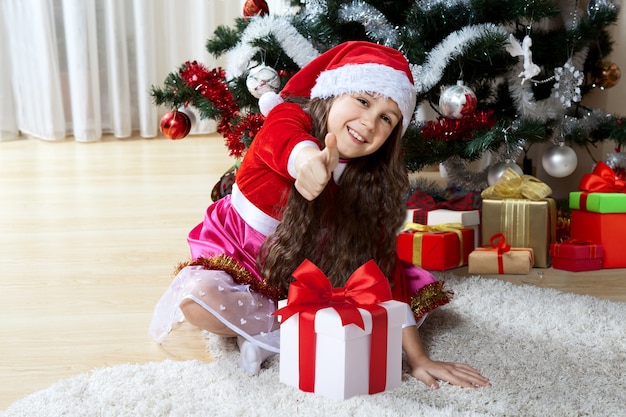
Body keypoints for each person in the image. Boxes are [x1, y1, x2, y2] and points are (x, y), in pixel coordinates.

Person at [149, 41, 490, 390]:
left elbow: (380, 270)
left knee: (365, 306)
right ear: (333, 93)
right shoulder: (290, 118)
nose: (370, 123)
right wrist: (307, 162)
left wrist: (419, 359)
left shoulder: (367, 180)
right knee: (197, 301)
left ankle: (277, 328)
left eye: (386, 118)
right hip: (241, 252)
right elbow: (282, 139)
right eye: (363, 101)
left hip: (307, 271)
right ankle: (282, 330)